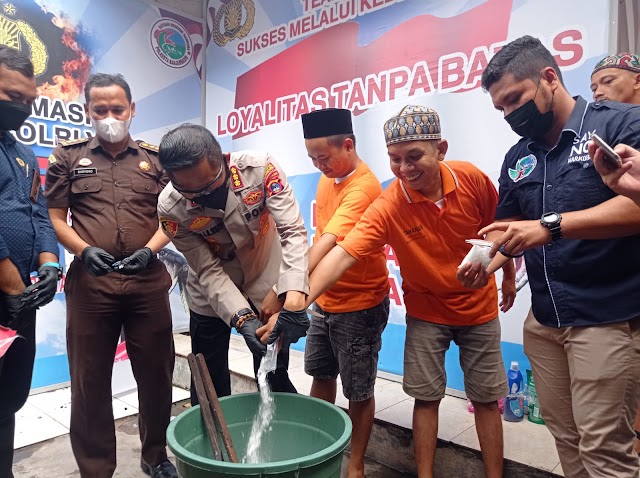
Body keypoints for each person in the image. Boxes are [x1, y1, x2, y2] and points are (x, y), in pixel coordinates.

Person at [302, 105, 516, 478]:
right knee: (426, 398)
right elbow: (343, 255)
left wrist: (507, 275)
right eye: (395, 159)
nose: (404, 169)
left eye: (414, 156)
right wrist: (299, 299)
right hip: (426, 312)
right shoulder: (389, 206)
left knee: (484, 399)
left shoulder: (472, 180)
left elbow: (499, 231)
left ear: (441, 149)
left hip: (478, 310)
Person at [476, 35, 640, 478]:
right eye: (501, 109)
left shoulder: (620, 125)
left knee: (606, 451)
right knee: (566, 439)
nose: (511, 115)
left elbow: (636, 206)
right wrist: (483, 263)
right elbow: (507, 233)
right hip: (545, 323)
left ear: (549, 78)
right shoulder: (519, 156)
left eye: (515, 99)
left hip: (605, 317)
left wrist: (550, 226)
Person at [44, 73, 177, 478]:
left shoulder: (156, 160)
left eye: (117, 109)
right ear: (88, 111)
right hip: (91, 284)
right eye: (100, 110)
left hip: (147, 282)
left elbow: (175, 216)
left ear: (132, 109)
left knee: (156, 374)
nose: (109, 117)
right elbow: (54, 215)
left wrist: (149, 250)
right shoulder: (67, 157)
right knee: (89, 380)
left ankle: (155, 456)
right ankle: (97, 468)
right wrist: (83, 250)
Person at [156, 124, 309, 396]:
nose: (202, 198)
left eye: (209, 187)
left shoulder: (261, 169)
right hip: (210, 294)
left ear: (223, 161)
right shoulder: (169, 208)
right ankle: (210, 435)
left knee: (272, 372)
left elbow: (292, 232)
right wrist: (242, 318)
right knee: (208, 380)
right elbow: (207, 269)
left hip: (266, 282)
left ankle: (278, 432)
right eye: (190, 193)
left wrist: (294, 293)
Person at [298, 108, 390, 478]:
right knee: (321, 374)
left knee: (358, 391)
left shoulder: (364, 186)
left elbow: (332, 245)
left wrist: (289, 290)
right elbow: (320, 236)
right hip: (326, 300)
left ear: (348, 145)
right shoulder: (328, 179)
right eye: (312, 159)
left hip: (360, 305)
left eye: (324, 157)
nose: (320, 166)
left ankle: (355, 463)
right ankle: (318, 450)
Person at [0, 45, 61, 478]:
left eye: (28, 101)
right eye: (11, 96)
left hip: (20, 298)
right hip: (9, 290)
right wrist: (7, 276)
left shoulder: (22, 154)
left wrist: (50, 262)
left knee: (9, 397)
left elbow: (38, 212)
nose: (20, 107)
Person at [590, 51, 640, 455]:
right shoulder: (603, 142)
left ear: (637, 81)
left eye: (608, 81)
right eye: (593, 87)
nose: (599, 92)